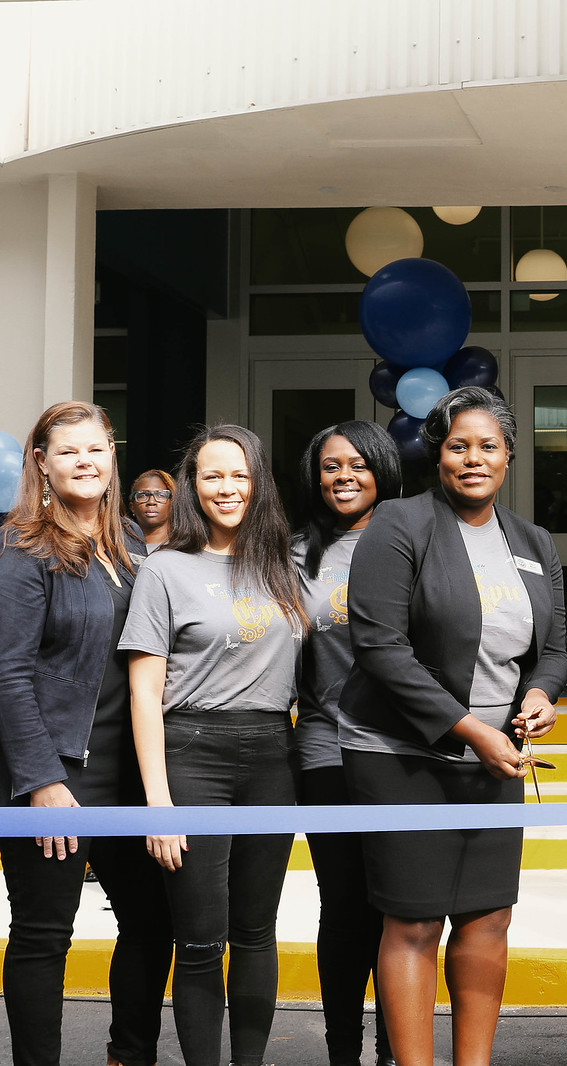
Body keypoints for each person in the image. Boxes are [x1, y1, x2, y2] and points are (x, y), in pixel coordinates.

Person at [342, 386, 566, 1066]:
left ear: (509, 456)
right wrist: (471, 731)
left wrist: (541, 694)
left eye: (488, 446)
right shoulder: (399, 523)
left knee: (488, 916)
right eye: (458, 445)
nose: (474, 458)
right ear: (436, 454)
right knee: (414, 920)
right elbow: (380, 646)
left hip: (497, 756)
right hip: (401, 753)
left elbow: (555, 648)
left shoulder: (533, 541)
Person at [121, 424, 305, 1066]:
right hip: (192, 754)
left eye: (240, 475)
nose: (227, 488)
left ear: (259, 484)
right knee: (200, 940)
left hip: (273, 755)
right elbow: (144, 692)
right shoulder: (164, 569)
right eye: (212, 476)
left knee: (257, 933)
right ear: (192, 487)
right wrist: (159, 805)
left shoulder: (285, 565)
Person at [0, 401, 172, 1066]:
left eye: (96, 449)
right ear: (41, 463)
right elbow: (8, 674)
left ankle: (128, 1055)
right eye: (68, 451)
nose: (85, 461)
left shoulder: (129, 543)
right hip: (58, 775)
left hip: (129, 773)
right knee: (44, 935)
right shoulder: (22, 550)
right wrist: (41, 779)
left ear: (112, 456)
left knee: (152, 922)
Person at [293, 420, 402, 1066]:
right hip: (327, 749)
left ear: (383, 468)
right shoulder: (294, 557)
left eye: (358, 464)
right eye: (331, 465)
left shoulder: (417, 539)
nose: (344, 476)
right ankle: (343, 1053)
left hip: (406, 754)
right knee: (342, 909)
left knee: (399, 908)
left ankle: (395, 1050)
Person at [126, 469, 175, 557]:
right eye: (143, 495)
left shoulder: (185, 548)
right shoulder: (120, 547)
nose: (151, 502)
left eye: (161, 495)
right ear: (132, 507)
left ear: (173, 504)